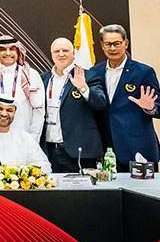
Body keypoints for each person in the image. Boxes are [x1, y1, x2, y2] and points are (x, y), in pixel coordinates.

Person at [87, 24, 160, 170]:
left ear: (126, 43)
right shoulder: (95, 72)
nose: (112, 48)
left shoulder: (143, 72)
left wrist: (151, 108)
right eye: (108, 44)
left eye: (117, 43)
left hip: (137, 149)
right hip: (106, 150)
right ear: (102, 46)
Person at [40, 38, 107, 172]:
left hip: (79, 151)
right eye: (57, 51)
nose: (61, 54)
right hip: (49, 150)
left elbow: (100, 103)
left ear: (74, 53)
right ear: (52, 54)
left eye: (65, 50)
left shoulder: (88, 75)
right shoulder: (43, 78)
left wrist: (83, 88)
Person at [0, 35, 44, 141]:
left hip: (23, 137)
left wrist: (33, 138)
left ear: (18, 52)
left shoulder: (31, 75)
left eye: (12, 49)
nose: (8, 53)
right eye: (3, 50)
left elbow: (39, 110)